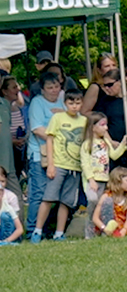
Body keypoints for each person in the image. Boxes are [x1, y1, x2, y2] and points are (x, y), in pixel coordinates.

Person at [30, 87, 86, 243]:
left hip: (75, 167)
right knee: (48, 198)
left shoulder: (84, 121)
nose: (74, 106)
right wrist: (51, 165)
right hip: (59, 164)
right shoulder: (58, 118)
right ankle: (37, 230)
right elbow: (49, 139)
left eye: (77, 103)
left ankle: (59, 233)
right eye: (71, 103)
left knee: (66, 201)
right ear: (65, 103)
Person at [79, 112, 127, 239]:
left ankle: (103, 230)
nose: (106, 128)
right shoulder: (87, 144)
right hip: (92, 180)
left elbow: (114, 155)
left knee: (103, 205)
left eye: (106, 125)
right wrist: (91, 180)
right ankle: (89, 233)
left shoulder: (105, 141)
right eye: (102, 125)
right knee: (93, 201)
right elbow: (85, 163)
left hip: (104, 179)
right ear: (93, 127)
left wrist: (123, 144)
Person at [93, 68, 127, 168]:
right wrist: (110, 142)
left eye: (110, 85)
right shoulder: (104, 101)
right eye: (104, 86)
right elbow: (99, 123)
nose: (107, 88)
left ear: (120, 82)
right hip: (111, 145)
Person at [92, 167, 127, 237]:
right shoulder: (106, 196)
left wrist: (124, 229)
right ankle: (107, 233)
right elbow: (95, 218)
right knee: (108, 201)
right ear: (118, 181)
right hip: (106, 227)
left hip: (122, 227)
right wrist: (104, 228)